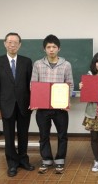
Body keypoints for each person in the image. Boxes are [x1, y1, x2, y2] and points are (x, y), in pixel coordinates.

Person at [0, 32, 35, 177]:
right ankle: (12, 163)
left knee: (24, 135)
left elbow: (31, 85)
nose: (12, 45)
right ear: (5, 43)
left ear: (20, 45)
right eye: (10, 42)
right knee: (9, 137)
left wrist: (33, 103)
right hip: (5, 106)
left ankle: (23, 160)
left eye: (15, 42)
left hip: (24, 105)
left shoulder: (27, 61)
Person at [31, 34, 74, 174]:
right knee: (44, 135)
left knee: (62, 135)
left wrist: (66, 101)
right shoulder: (37, 64)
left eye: (54, 47)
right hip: (42, 107)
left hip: (60, 107)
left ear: (58, 49)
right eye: (48, 47)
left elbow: (70, 84)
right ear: (44, 49)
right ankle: (46, 160)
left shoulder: (66, 64)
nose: (51, 49)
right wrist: (35, 101)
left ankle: (60, 160)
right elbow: (33, 85)